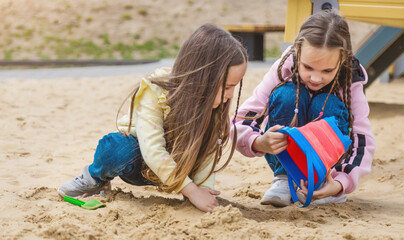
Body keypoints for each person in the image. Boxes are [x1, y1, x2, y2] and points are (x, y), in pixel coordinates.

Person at [58, 23, 248, 213]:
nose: (230, 95)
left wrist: (202, 191)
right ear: (202, 77)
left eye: (234, 87)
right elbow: (153, 150)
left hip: (178, 167)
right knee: (114, 148)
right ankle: (94, 179)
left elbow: (207, 151)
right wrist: (191, 191)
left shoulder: (214, 107)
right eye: (228, 87)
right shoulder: (157, 89)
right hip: (139, 161)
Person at [231, 10, 375, 207]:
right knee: (286, 94)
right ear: (297, 52)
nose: (316, 78)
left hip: (328, 173)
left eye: (327, 70)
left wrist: (340, 183)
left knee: (326, 102)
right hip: (287, 159)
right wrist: (257, 142)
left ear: (342, 60)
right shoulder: (285, 67)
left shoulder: (350, 79)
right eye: (308, 67)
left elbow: (362, 139)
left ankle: (322, 182)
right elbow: (243, 119)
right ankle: (283, 177)